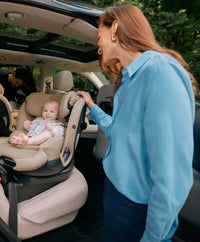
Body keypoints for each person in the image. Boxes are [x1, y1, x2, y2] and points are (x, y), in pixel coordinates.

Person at [78, 2, 196, 242]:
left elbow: (170, 175)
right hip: (114, 193)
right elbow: (118, 131)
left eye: (99, 37)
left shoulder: (160, 72)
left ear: (115, 28)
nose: (98, 48)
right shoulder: (128, 80)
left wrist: (154, 236)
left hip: (133, 208)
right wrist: (92, 106)